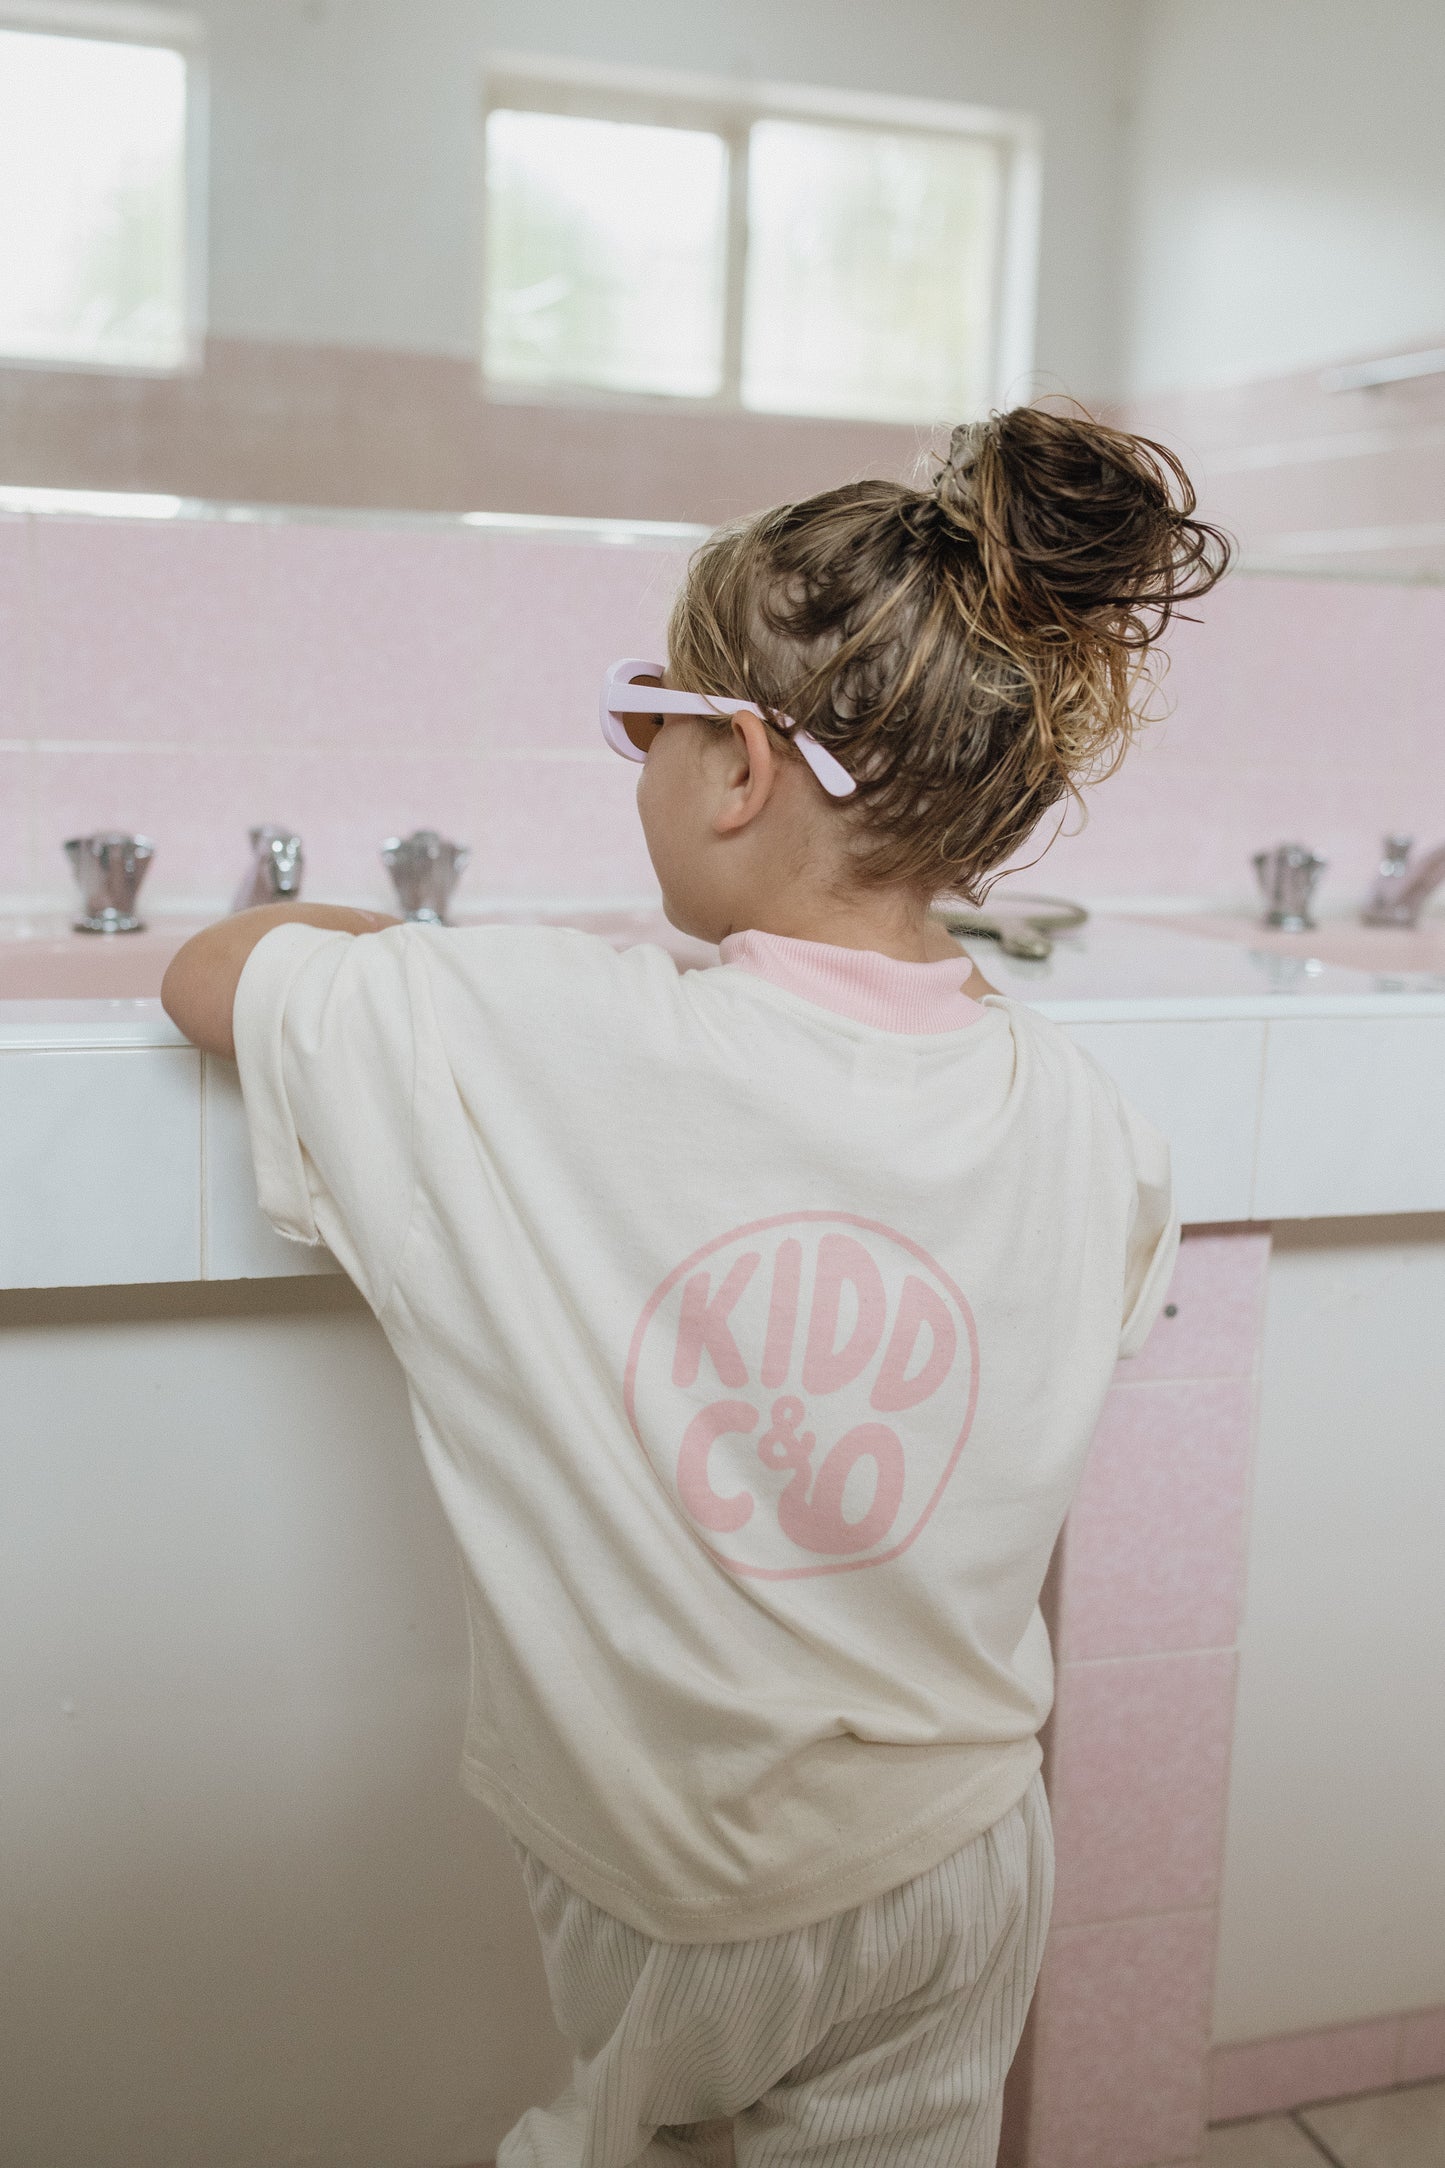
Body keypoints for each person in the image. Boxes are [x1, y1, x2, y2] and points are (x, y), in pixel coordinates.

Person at [163, 405, 1230, 2168]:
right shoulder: (1089, 1124)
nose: (633, 769)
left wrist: (419, 950)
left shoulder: (533, 1034)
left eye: (641, 725)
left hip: (683, 1882)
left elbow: (220, 971)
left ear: (736, 765)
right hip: (971, 1848)